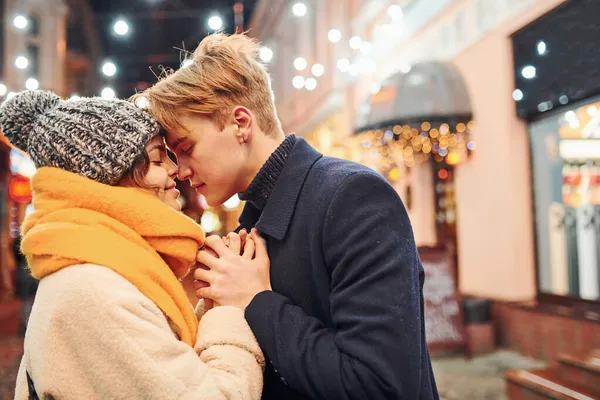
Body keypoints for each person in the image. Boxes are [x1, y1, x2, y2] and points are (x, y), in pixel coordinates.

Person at [139, 33, 439, 399]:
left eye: (186, 148)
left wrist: (256, 301)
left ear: (240, 123)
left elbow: (380, 385)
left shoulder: (353, 197)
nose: (180, 170)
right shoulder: (252, 227)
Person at [0, 90, 267, 399]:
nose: (174, 171)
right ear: (110, 182)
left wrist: (213, 301)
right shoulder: (96, 292)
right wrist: (231, 308)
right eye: (156, 158)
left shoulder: (97, 271)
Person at [12, 233, 38, 336]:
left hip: (23, 272)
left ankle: (25, 326)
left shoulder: (20, 239)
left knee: (26, 301)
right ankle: (27, 326)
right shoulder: (33, 238)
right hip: (29, 271)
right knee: (29, 301)